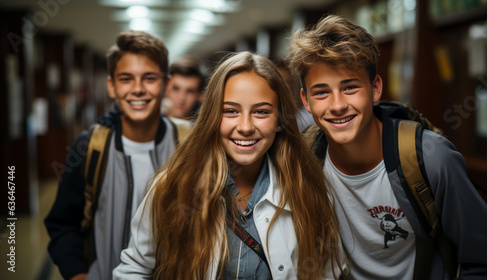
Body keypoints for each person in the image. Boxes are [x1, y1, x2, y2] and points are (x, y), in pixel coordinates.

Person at [288, 14, 487, 279]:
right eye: (321, 92)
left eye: (350, 87)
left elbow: (485, 260)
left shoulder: (431, 159)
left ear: (375, 89)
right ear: (306, 102)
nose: (338, 104)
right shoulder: (304, 161)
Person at [113, 51, 348, 279]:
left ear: (279, 119)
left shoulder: (309, 191)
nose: (245, 126)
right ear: (212, 117)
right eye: (230, 111)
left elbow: (329, 273)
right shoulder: (172, 187)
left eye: (261, 112)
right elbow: (134, 269)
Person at [45, 30, 178, 280]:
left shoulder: (187, 146)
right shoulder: (90, 147)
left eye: (149, 78)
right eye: (126, 79)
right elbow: (63, 223)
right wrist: (77, 274)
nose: (137, 89)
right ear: (111, 86)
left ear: (166, 84)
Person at [163, 56, 205, 141]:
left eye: (190, 91)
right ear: (166, 89)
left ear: (200, 96)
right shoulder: (149, 127)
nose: (181, 98)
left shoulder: (203, 137)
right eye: (176, 88)